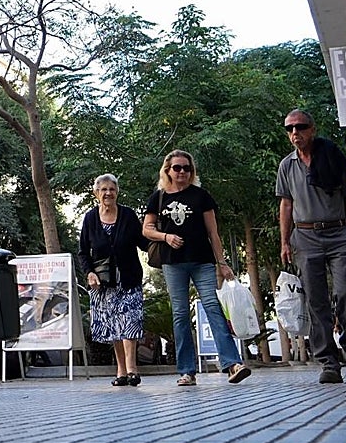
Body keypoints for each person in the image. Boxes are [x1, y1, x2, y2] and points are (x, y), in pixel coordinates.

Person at [142, 150, 251, 387]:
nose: (182, 172)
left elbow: (213, 233)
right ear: (168, 170)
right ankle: (187, 371)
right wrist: (166, 236)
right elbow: (146, 229)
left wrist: (222, 263)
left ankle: (233, 363)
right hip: (173, 263)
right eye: (177, 168)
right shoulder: (158, 197)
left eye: (187, 168)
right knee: (180, 314)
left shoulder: (201, 196)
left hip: (202, 260)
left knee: (213, 307)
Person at [277, 109, 346, 383]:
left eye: (301, 127)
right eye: (290, 128)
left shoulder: (332, 156)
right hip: (305, 237)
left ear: (312, 129)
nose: (295, 133)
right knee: (316, 301)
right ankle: (328, 361)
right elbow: (286, 204)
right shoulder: (287, 165)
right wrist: (285, 241)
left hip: (339, 233)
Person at [78, 174, 148, 387]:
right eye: (104, 190)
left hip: (129, 278)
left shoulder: (128, 215)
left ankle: (132, 369)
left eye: (112, 189)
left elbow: (143, 243)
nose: (108, 193)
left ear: (117, 192)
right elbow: (83, 252)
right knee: (114, 327)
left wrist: (159, 234)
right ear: (96, 193)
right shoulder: (90, 218)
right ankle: (121, 371)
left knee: (130, 322)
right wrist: (89, 272)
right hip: (102, 282)